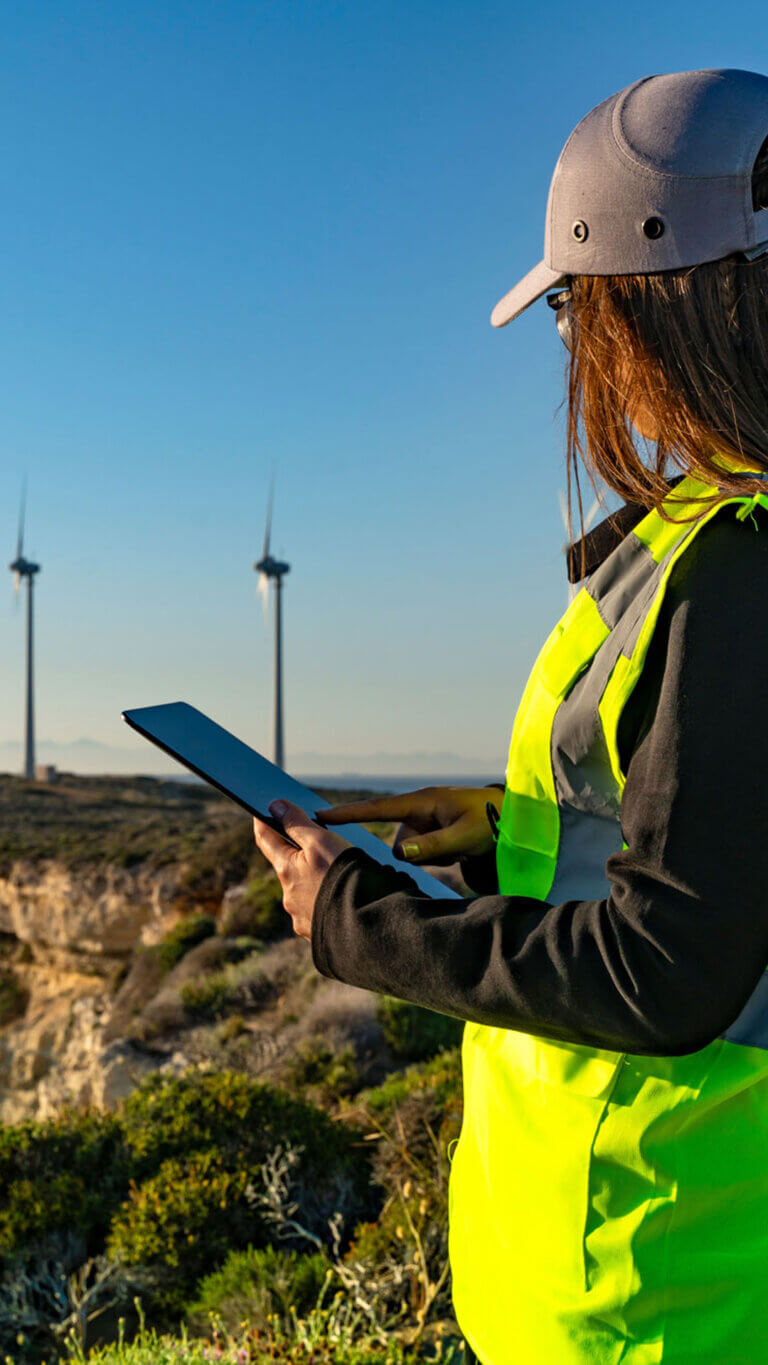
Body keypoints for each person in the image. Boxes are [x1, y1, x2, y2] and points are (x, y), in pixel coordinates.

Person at [253, 69, 768, 1365]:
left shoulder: (738, 566)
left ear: (653, 315)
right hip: (646, 1254)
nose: (578, 360)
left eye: (575, 320)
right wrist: (493, 827)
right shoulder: (714, 549)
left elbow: (671, 968)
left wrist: (354, 918)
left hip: (650, 1278)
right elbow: (703, 825)